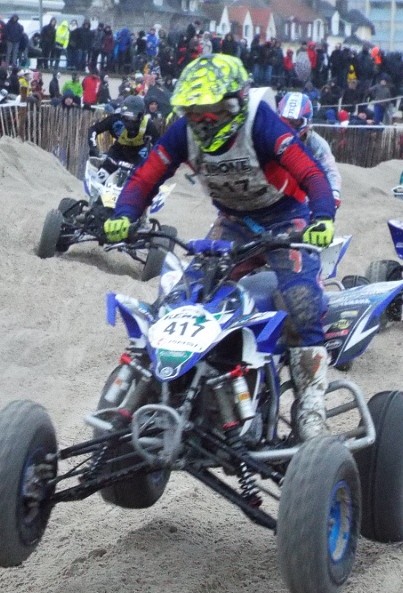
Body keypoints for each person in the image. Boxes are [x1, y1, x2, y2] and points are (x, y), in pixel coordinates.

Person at [104, 54, 337, 440]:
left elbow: (310, 171)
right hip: (232, 223)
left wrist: (323, 218)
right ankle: (162, 393)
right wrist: (124, 214)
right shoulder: (183, 133)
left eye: (210, 113)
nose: (201, 122)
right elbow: (146, 177)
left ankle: (311, 407)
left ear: (236, 103)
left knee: (299, 302)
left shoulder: (261, 123)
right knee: (182, 298)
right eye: (193, 113)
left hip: (285, 220)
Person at [277, 91, 341, 208]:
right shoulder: (270, 137)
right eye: (286, 121)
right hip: (273, 192)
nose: (290, 127)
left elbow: (331, 170)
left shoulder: (317, 144)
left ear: (307, 120)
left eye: (296, 122)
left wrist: (334, 194)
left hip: (304, 192)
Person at [87, 95, 161, 172]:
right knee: (103, 174)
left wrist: (155, 162)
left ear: (141, 116)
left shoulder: (147, 125)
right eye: (126, 116)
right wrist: (93, 147)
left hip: (139, 155)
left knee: (140, 178)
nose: (130, 121)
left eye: (134, 117)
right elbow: (93, 129)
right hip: (118, 151)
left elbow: (159, 144)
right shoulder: (115, 120)